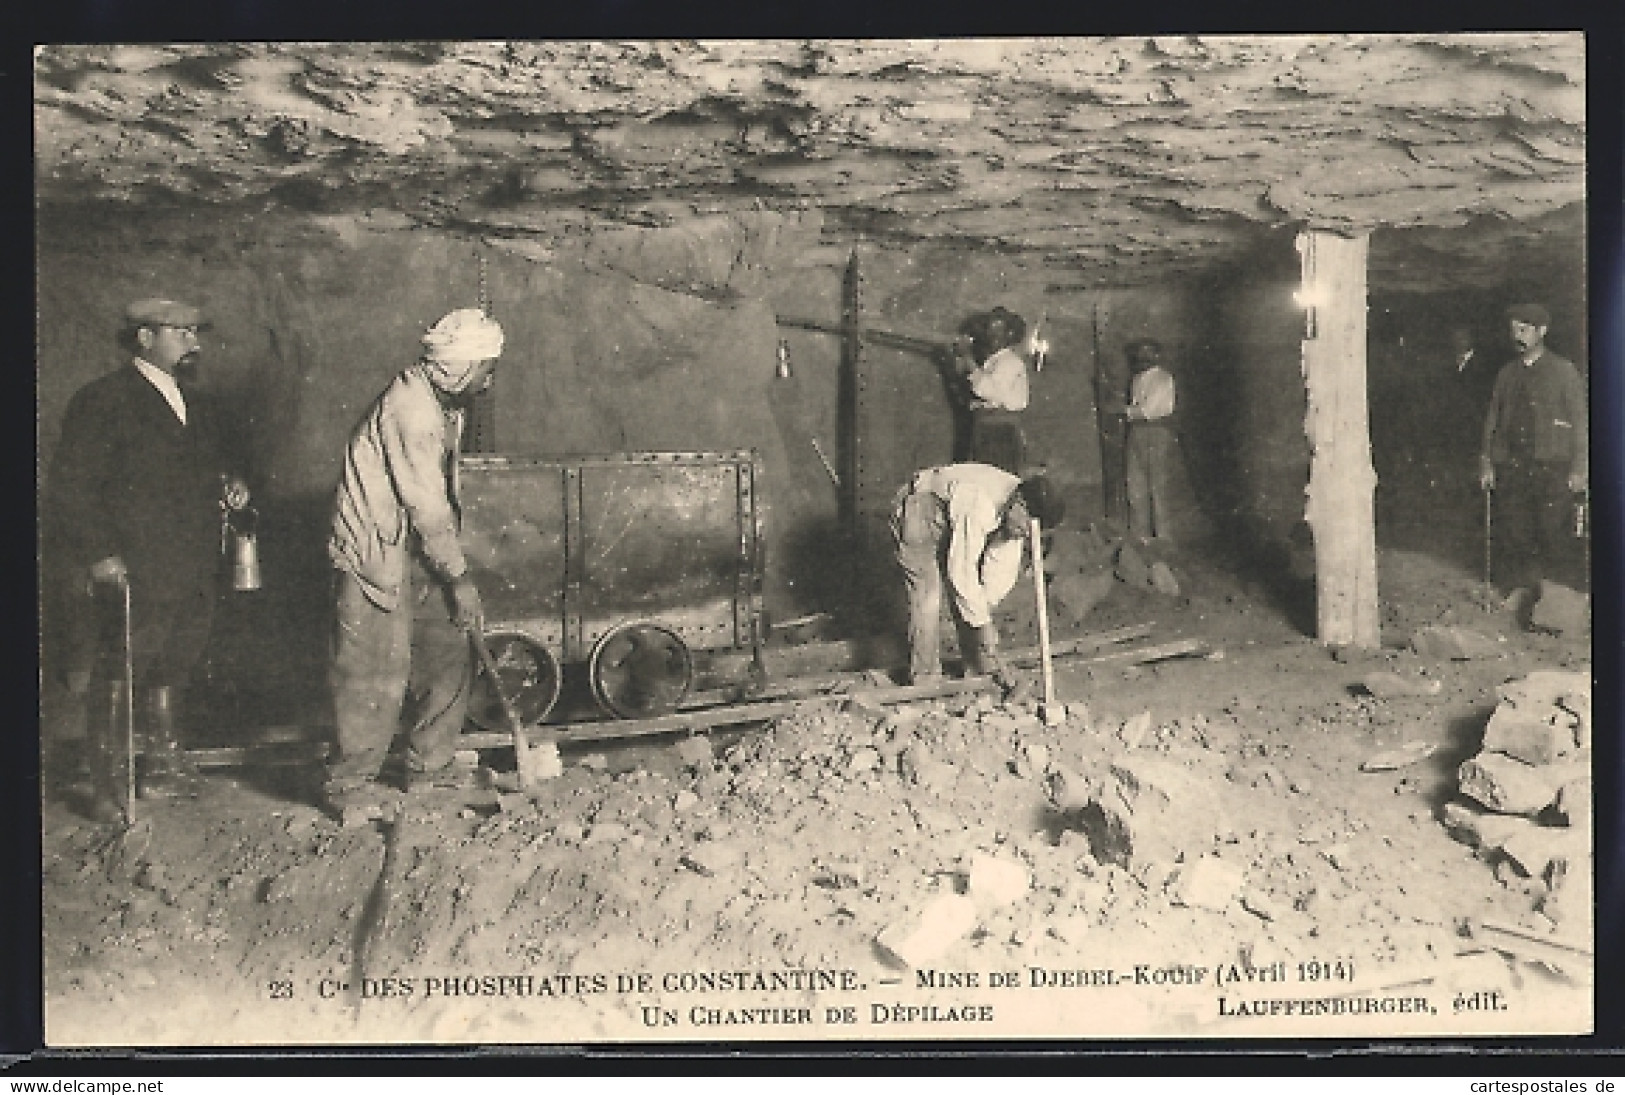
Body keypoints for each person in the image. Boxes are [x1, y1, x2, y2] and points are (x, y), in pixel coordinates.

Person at [48, 298, 250, 820]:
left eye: (194, 332)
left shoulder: (196, 404)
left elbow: (206, 471)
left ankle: (161, 765)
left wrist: (231, 487)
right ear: (144, 337)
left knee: (174, 664)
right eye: (181, 332)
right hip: (137, 566)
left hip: (193, 563)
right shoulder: (103, 400)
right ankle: (111, 784)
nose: (195, 343)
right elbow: (71, 488)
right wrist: (99, 555)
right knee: (123, 668)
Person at [324, 308, 504, 818]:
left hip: (412, 543)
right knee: (373, 668)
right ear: (460, 368)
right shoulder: (413, 408)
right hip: (375, 549)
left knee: (448, 642)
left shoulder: (445, 402)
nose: (488, 384)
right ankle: (350, 784)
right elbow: (426, 503)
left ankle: (431, 766)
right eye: (485, 371)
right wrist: (461, 578)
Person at [890, 463, 1065, 686]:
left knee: (973, 602)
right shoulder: (979, 502)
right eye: (1024, 529)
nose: (1024, 536)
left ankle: (977, 667)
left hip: (951, 522)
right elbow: (961, 571)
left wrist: (984, 617)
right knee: (928, 595)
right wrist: (982, 623)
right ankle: (926, 677)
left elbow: (1000, 571)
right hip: (918, 510)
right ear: (1019, 505)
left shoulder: (1015, 510)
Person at [1478, 303, 1587, 596]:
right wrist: (1487, 462)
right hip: (1513, 465)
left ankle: (1554, 599)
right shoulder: (1506, 374)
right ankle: (1519, 592)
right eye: (1513, 329)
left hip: (1552, 466)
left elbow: (1581, 422)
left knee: (1552, 532)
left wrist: (1580, 468)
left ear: (1542, 332)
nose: (1517, 335)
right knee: (1515, 530)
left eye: (1524, 329)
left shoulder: (1564, 371)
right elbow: (1492, 420)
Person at [954, 306, 1030, 473]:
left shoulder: (1010, 361)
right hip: (987, 430)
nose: (992, 336)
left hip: (999, 434)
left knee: (995, 481)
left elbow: (990, 390)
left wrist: (968, 359)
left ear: (1009, 335)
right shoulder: (992, 362)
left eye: (998, 331)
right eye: (990, 330)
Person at [1122, 338, 1177, 543]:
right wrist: (1129, 412)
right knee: (1135, 484)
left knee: (1158, 486)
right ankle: (1141, 537)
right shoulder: (1137, 380)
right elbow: (1135, 411)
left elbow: (1147, 411)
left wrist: (1123, 411)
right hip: (1137, 432)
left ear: (1156, 355)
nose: (1142, 357)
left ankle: (1164, 539)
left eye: (1148, 352)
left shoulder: (1163, 379)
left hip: (1156, 431)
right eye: (1139, 353)